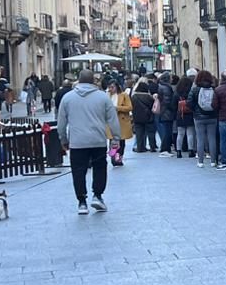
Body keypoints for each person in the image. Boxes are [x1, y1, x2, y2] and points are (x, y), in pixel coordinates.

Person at [56, 69, 120, 215]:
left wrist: (63, 139)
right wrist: (115, 138)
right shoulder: (103, 98)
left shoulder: (67, 98)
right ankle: (97, 195)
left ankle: (81, 201)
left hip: (77, 141)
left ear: (78, 80)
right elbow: (113, 120)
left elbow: (61, 123)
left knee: (78, 171)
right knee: (99, 168)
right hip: (98, 140)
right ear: (93, 81)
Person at [109, 77, 133, 166]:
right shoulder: (107, 95)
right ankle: (113, 157)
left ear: (117, 87)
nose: (111, 89)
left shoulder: (124, 95)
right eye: (110, 87)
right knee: (112, 141)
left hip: (121, 121)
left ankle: (118, 158)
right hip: (110, 121)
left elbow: (130, 107)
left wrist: (118, 108)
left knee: (121, 142)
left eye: (112, 87)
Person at [175, 68, 197, 158]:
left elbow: (173, 105)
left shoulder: (177, 93)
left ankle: (178, 151)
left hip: (180, 114)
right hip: (189, 114)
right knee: (190, 133)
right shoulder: (191, 92)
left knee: (180, 134)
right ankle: (191, 150)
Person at [131, 78, 155, 152]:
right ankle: (152, 147)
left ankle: (140, 147)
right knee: (150, 132)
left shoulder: (134, 97)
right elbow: (152, 106)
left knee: (139, 133)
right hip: (148, 117)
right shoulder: (149, 97)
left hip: (137, 117)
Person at [155, 72, 177, 154]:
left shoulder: (162, 86)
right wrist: (173, 108)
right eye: (170, 77)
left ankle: (165, 148)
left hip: (164, 111)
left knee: (167, 130)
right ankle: (165, 149)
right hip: (167, 112)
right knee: (167, 131)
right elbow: (167, 101)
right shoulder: (166, 88)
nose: (172, 79)